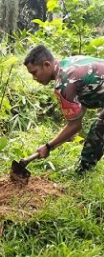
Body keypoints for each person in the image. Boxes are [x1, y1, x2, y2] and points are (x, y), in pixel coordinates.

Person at [23, 44, 104, 173]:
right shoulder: (68, 63)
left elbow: (75, 126)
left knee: (99, 129)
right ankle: (84, 170)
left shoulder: (64, 83)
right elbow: (80, 110)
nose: (34, 78)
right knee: (99, 128)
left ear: (47, 65)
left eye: (34, 72)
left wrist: (48, 146)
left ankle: (83, 170)